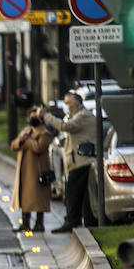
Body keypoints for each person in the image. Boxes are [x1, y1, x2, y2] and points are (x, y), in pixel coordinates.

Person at [42, 92, 98, 233]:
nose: (66, 106)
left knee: (73, 194)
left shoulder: (82, 116)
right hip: (78, 161)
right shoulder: (78, 116)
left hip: (81, 162)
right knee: (81, 195)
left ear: (76, 103)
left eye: (68, 103)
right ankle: (82, 221)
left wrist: (45, 116)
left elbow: (64, 126)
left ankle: (72, 221)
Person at [9, 106, 52, 232]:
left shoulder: (45, 133)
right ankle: (25, 222)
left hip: (37, 170)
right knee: (24, 197)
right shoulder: (26, 131)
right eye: (31, 116)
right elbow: (14, 145)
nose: (33, 118)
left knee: (38, 198)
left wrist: (27, 140)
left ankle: (39, 224)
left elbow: (39, 148)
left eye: (36, 116)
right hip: (24, 171)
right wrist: (21, 140)